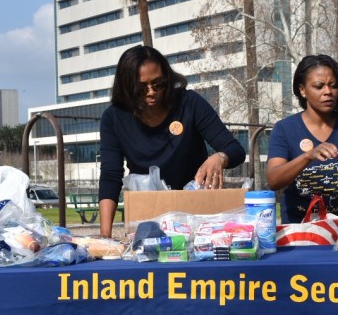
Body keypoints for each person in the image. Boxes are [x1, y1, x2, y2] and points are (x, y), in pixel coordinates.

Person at [97, 45, 246, 238]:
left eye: (158, 84)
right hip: (147, 214)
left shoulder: (189, 103)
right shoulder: (114, 118)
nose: (151, 92)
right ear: (127, 87)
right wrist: (105, 236)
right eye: (142, 87)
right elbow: (110, 176)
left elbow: (235, 150)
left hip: (194, 212)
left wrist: (220, 157)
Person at [266, 54, 338, 223]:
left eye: (333, 86)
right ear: (302, 90)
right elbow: (274, 180)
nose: (328, 92)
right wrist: (307, 156)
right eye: (319, 86)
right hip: (300, 232)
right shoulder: (284, 129)